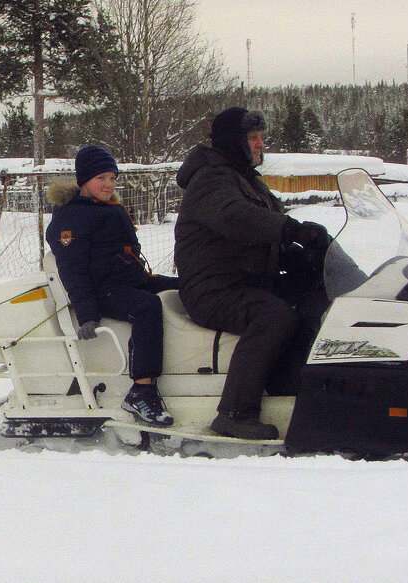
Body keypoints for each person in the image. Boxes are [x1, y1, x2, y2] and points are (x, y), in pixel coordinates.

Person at [174, 107, 332, 440]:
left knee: (313, 294)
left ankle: (290, 382)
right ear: (235, 142)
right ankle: (235, 413)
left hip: (247, 281)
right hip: (212, 289)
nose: (261, 144)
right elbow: (237, 217)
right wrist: (292, 229)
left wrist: (308, 255)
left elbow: (265, 236)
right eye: (253, 137)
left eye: (261, 137)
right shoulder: (211, 180)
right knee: (274, 316)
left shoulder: (246, 179)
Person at [45, 145, 179, 427]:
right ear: (84, 181)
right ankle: (142, 390)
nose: (108, 184)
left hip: (129, 281)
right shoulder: (71, 217)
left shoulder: (108, 208)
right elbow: (73, 269)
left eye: (112, 178)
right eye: (101, 178)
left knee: (187, 285)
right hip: (102, 291)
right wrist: (87, 314)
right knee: (147, 306)